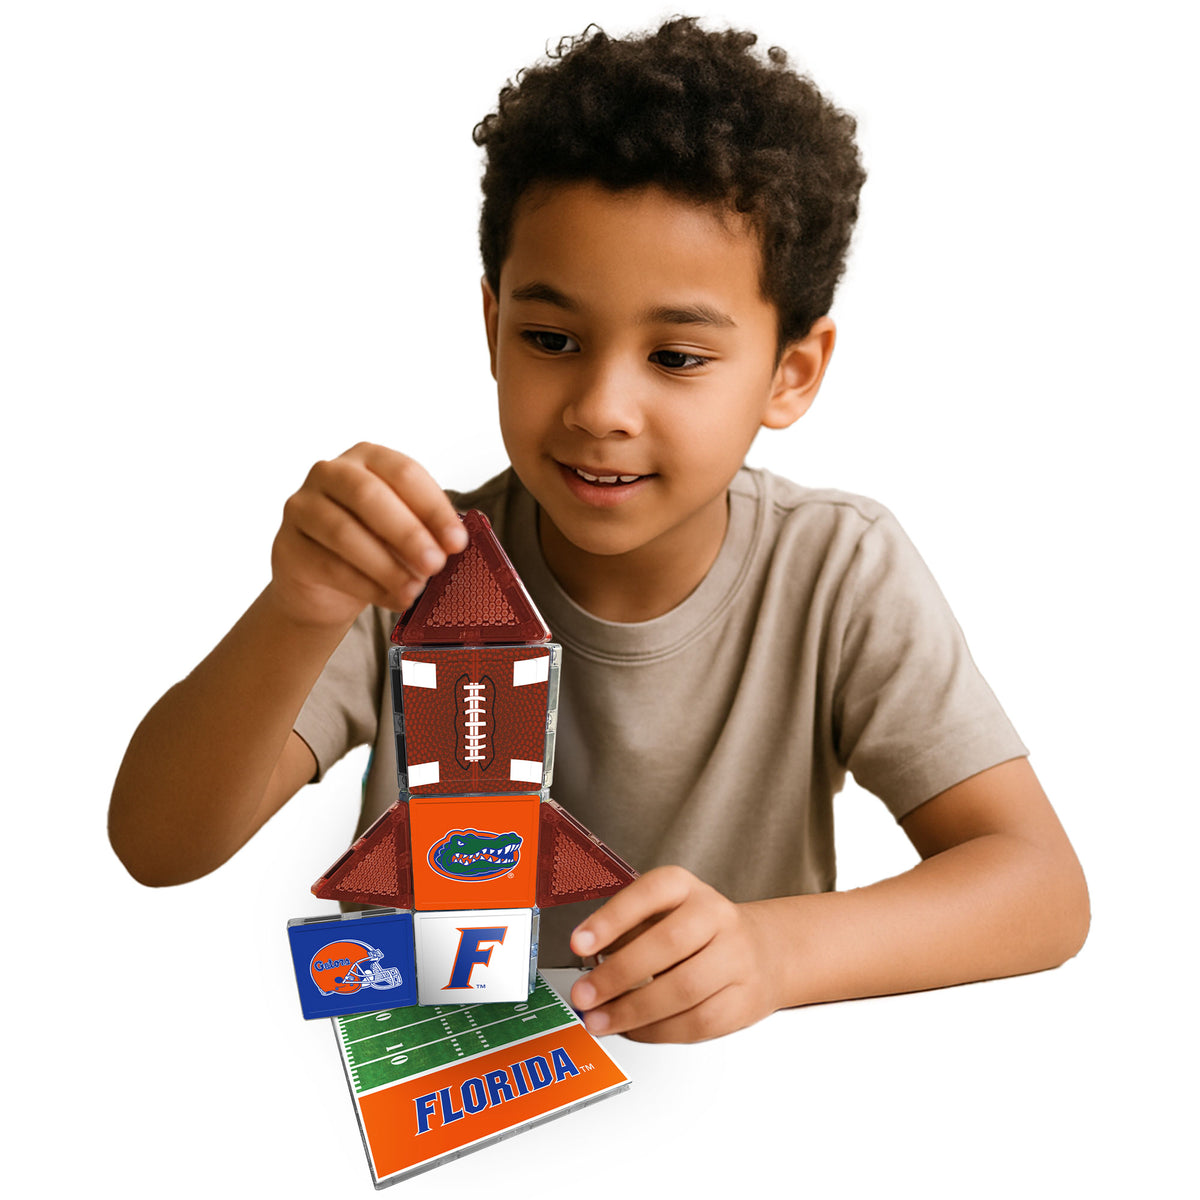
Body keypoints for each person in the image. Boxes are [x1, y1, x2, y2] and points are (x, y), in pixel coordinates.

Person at [109, 18, 1089, 1044]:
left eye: (676, 357)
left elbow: (1041, 890)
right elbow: (159, 843)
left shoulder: (837, 569)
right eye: (551, 339)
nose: (601, 406)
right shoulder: (407, 561)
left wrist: (772, 951)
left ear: (791, 373)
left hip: (719, 1124)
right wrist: (298, 606)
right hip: (434, 1109)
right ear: (492, 329)